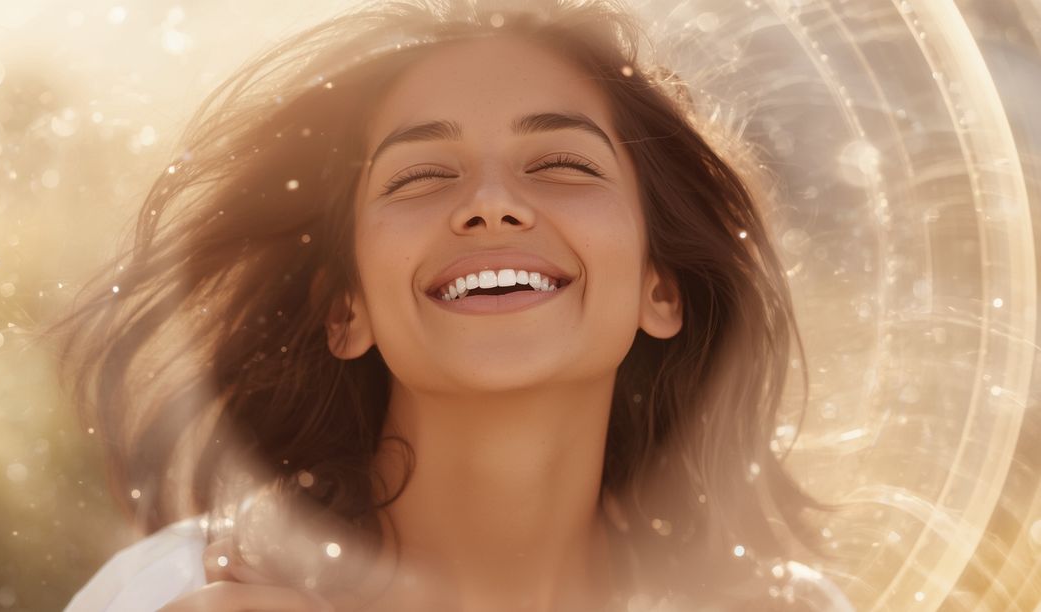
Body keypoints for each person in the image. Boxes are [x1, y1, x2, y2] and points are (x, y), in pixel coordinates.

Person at [53, 0, 849, 610]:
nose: (492, 204)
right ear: (346, 311)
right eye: (421, 175)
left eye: (563, 163)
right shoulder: (167, 592)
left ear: (662, 288)